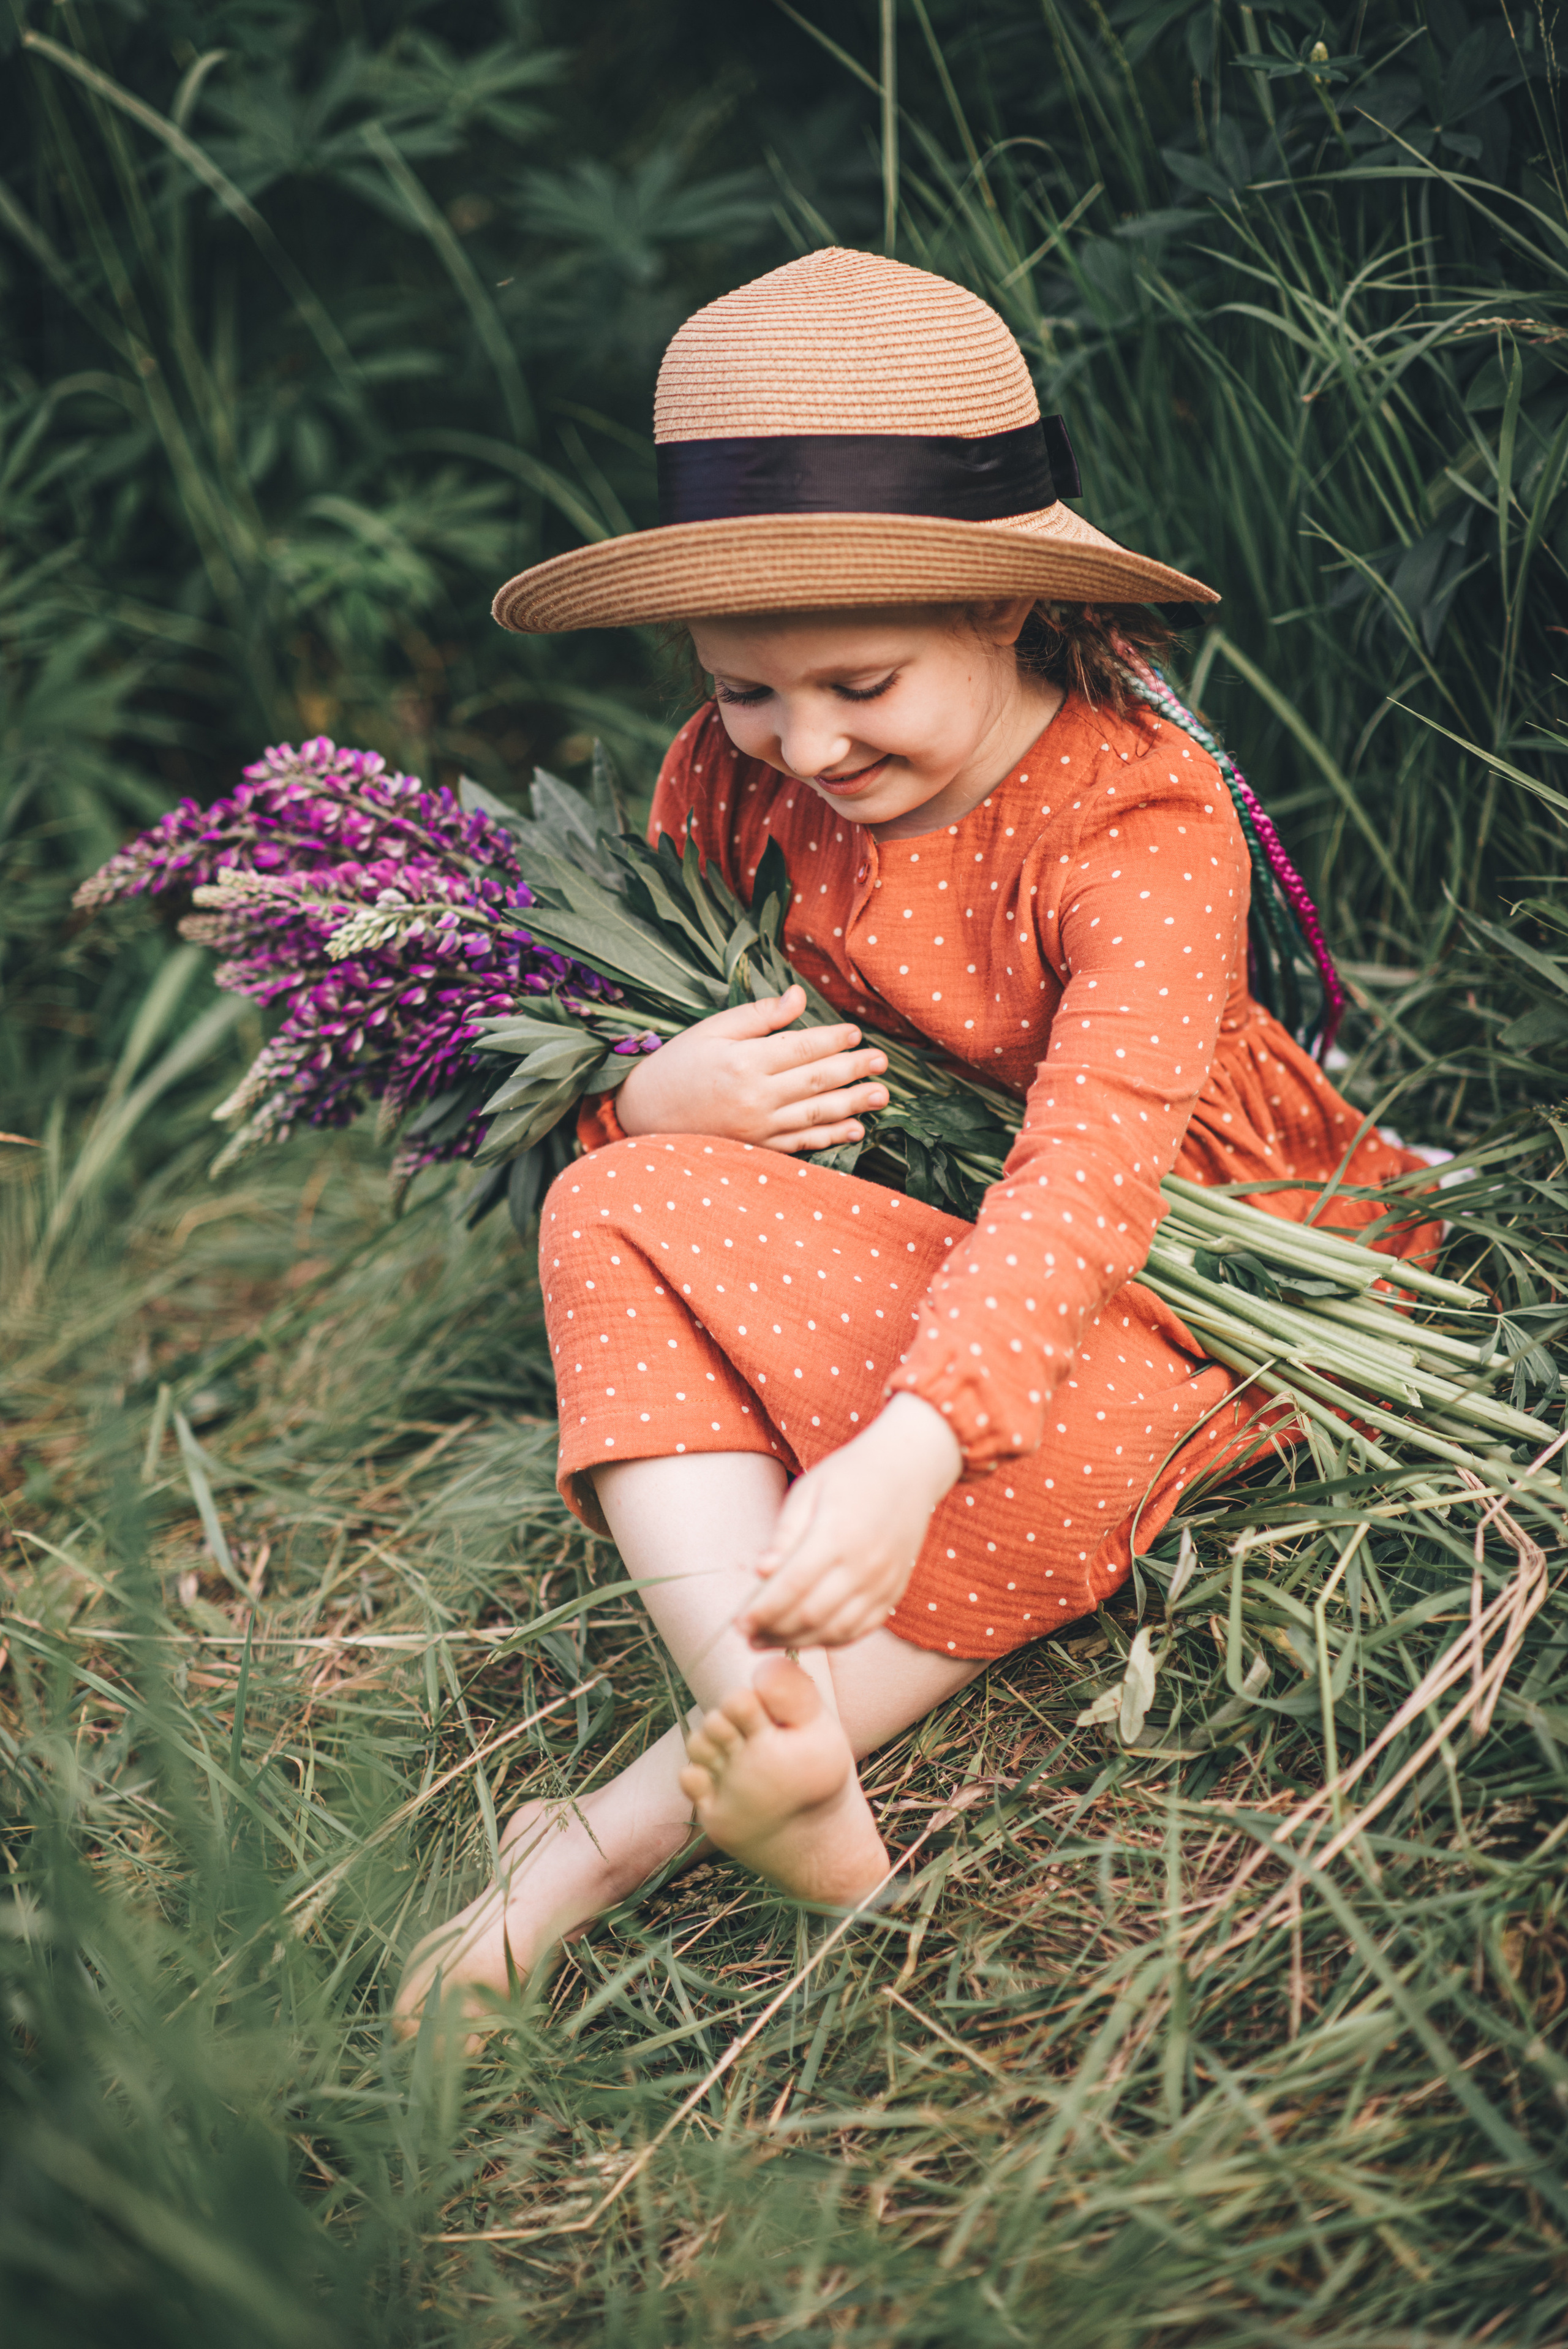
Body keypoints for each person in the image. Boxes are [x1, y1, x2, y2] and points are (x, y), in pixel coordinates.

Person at [394, 248, 1433, 2034]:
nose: (803, 744)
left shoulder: (1138, 818)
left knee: (1074, 1430)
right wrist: (652, 1099)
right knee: (604, 1204)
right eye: (745, 689)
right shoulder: (727, 782)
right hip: (893, 1231)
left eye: (859, 682)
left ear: (1009, 611)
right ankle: (778, 1732)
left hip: (1169, 1253)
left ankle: (603, 1833)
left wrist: (908, 1445)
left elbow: (1089, 1172)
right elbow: (637, 1039)